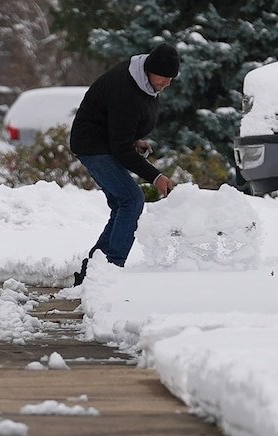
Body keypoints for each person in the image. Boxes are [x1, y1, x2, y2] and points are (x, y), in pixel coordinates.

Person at [68, 42, 182, 286]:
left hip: (105, 142)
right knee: (131, 200)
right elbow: (120, 148)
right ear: (151, 70)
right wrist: (155, 176)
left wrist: (133, 139)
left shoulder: (145, 83)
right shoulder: (127, 88)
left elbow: (120, 127)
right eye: (164, 77)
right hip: (92, 145)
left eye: (172, 78)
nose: (167, 83)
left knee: (123, 203)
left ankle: (93, 272)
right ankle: (110, 269)